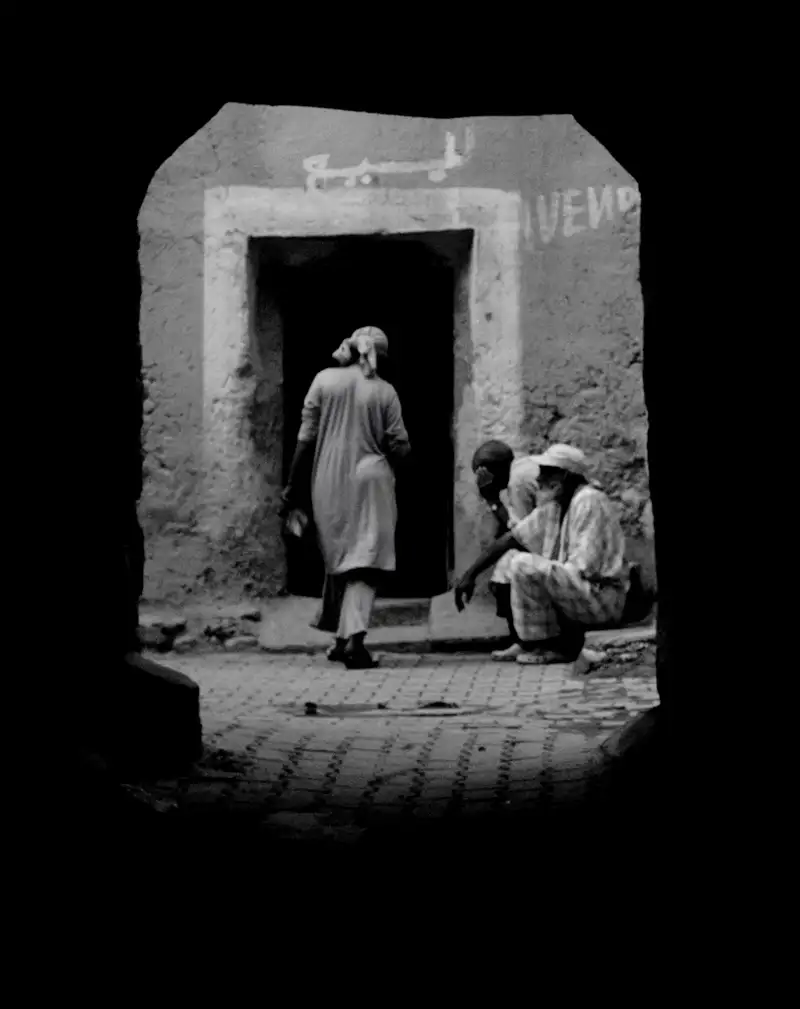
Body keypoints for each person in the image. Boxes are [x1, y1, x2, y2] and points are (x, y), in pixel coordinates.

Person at [281, 326, 411, 669]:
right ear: (380, 357)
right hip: (372, 478)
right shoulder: (385, 391)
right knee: (365, 563)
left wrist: (292, 488)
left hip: (326, 479)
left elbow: (305, 441)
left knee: (340, 558)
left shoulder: (323, 380)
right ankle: (355, 642)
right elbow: (400, 445)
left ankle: (340, 640)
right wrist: (389, 462)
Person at [454, 443, 629, 664]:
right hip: (578, 589)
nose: (539, 479)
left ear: (564, 476)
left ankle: (554, 645)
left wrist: (544, 573)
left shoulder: (589, 501)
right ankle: (529, 643)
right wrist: (470, 574)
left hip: (602, 597)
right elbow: (513, 537)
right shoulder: (557, 505)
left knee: (524, 565)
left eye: (546, 473)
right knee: (510, 561)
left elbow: (586, 567)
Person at [471, 440, 541, 643]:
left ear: (493, 472)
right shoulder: (522, 468)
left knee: (503, 573)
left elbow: (521, 535)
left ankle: (521, 640)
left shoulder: (516, 483)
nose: (480, 481)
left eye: (482, 475)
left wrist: (492, 499)